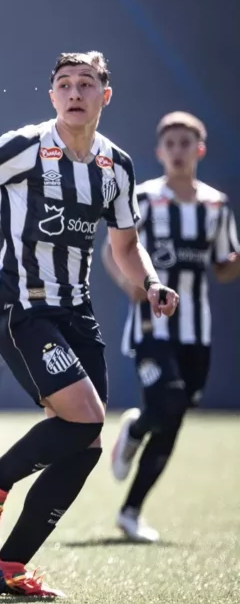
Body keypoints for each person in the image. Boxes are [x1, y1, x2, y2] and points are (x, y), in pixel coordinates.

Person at [0, 51, 180, 597]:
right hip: (23, 308)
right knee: (87, 420)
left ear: (104, 96)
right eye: (63, 84)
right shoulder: (25, 146)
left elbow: (126, 246)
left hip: (77, 313)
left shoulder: (117, 165)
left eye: (85, 84)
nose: (73, 93)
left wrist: (151, 283)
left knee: (84, 447)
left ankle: (10, 566)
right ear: (51, 95)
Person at [103, 111, 239, 542]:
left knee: (177, 415)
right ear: (160, 151)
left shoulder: (216, 205)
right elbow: (114, 250)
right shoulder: (143, 198)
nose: (178, 151)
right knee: (168, 405)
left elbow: (224, 268)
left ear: (199, 150)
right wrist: (131, 284)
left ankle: (131, 511)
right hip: (151, 327)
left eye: (186, 144)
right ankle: (137, 429)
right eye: (171, 144)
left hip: (195, 330)